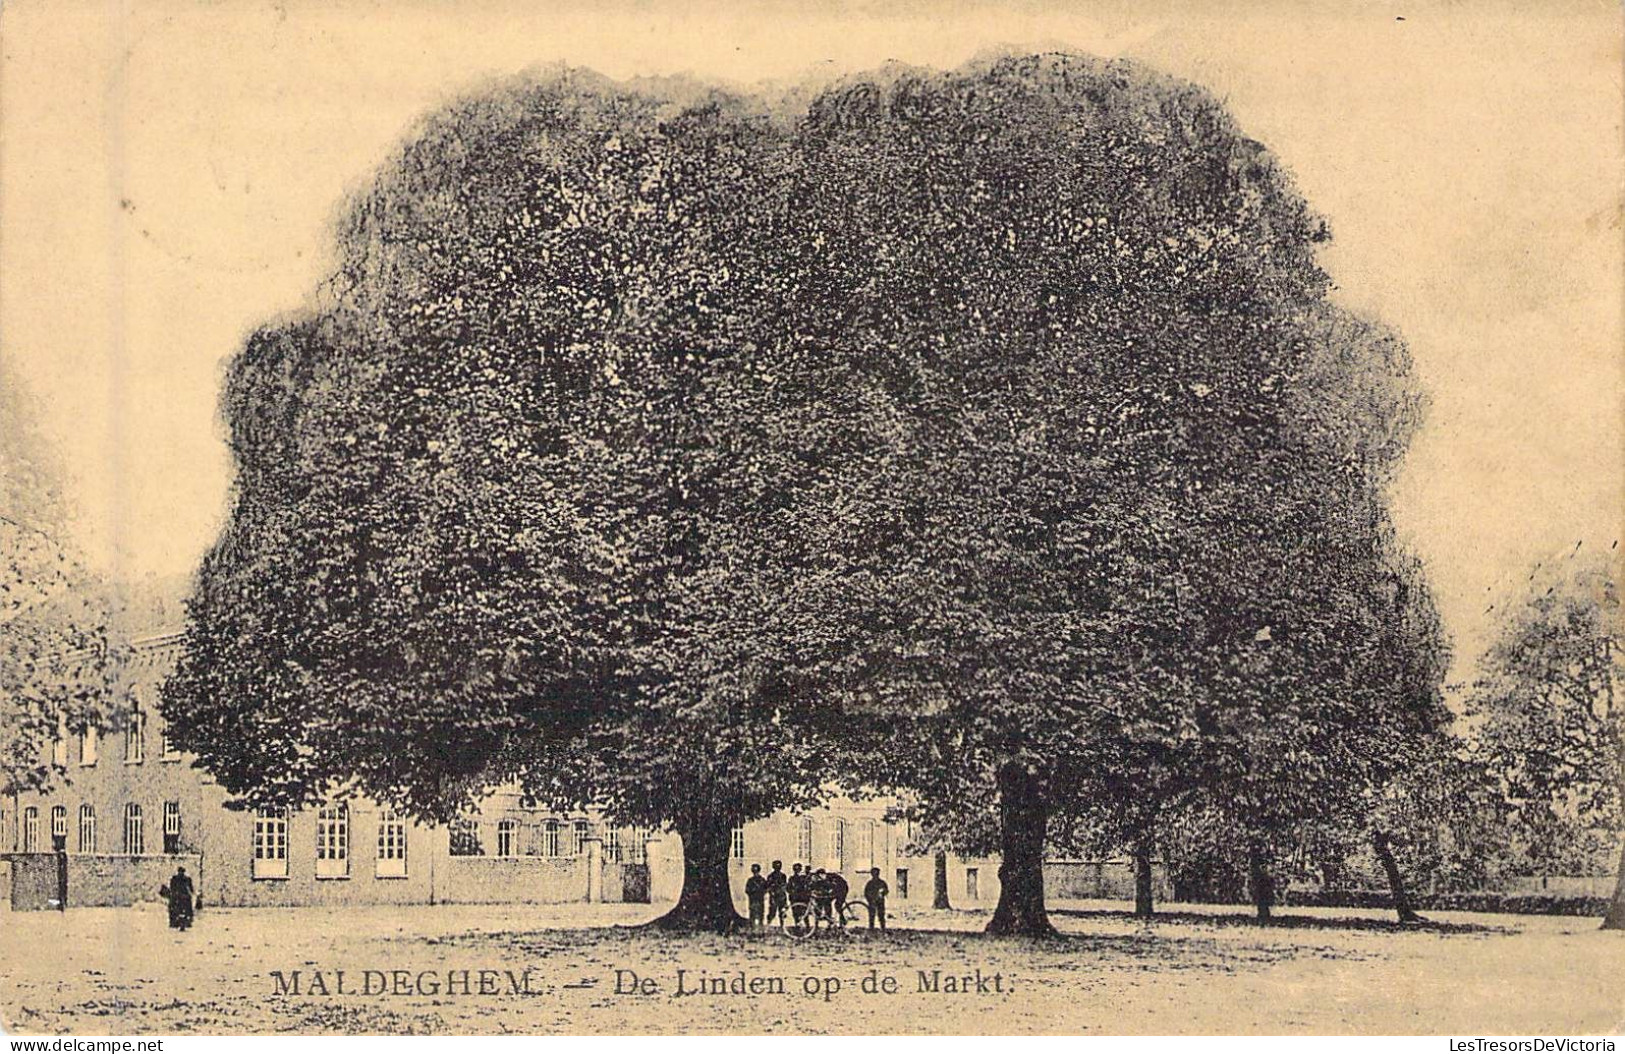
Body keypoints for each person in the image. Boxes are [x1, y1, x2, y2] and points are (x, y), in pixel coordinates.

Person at [160, 865, 195, 931]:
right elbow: (191, 889)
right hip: (179, 898)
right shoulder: (178, 879)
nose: (181, 873)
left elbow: (190, 889)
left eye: (181, 872)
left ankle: (182, 922)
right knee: (175, 908)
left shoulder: (182, 879)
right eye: (180, 872)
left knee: (179, 909)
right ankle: (177, 922)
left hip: (180, 898)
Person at [786, 862, 812, 929]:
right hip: (795, 898)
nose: (797, 871)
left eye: (798, 869)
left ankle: (807, 926)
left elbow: (807, 887)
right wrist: (792, 892)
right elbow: (788, 888)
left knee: (804, 913)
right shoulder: (791, 879)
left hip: (802, 898)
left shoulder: (804, 878)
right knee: (796, 913)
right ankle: (797, 925)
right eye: (796, 869)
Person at [764, 860, 789, 930]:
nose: (777, 868)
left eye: (779, 866)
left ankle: (782, 926)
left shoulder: (783, 876)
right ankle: (768, 924)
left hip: (781, 896)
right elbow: (768, 886)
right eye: (776, 866)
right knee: (772, 912)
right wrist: (771, 892)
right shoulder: (771, 876)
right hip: (774, 896)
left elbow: (784, 885)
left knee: (782, 913)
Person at [863, 867, 889, 932]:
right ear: (872, 874)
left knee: (881, 915)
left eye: (876, 873)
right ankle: (871, 929)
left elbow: (886, 891)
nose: (875, 875)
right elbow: (866, 893)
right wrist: (870, 899)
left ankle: (883, 928)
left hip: (880, 901)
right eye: (873, 873)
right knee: (872, 916)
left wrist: (882, 893)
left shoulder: (882, 883)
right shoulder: (869, 883)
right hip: (872, 902)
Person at [744, 863, 768, 932]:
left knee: (759, 914)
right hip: (754, 900)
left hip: (758, 900)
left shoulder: (761, 880)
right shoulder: (751, 880)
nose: (755, 873)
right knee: (753, 914)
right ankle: (754, 929)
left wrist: (760, 893)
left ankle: (759, 929)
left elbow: (766, 889)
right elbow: (747, 890)